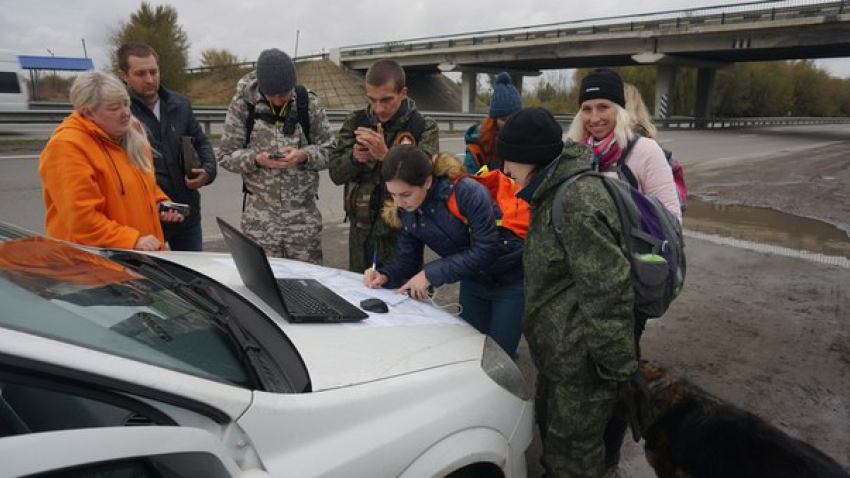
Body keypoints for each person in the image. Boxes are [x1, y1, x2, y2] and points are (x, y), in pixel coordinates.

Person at [499, 107, 637, 477]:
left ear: (531, 158)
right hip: (561, 358)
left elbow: (608, 289)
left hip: (583, 366)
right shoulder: (551, 191)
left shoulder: (577, 201)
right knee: (556, 444)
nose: (506, 170)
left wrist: (614, 371)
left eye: (509, 160)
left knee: (573, 458)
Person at [363, 145, 524, 357]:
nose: (399, 202)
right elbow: (407, 262)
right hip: (474, 282)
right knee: (472, 352)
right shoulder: (406, 212)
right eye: (393, 195)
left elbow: (485, 249)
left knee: (500, 356)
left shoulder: (467, 192)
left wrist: (430, 274)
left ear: (428, 182)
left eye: (405, 194)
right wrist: (384, 275)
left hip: (511, 281)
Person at [39, 71, 184, 251]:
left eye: (126, 104)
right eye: (115, 108)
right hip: (96, 265)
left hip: (139, 257)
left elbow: (147, 186)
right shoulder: (67, 147)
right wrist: (131, 240)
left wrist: (160, 204)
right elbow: (82, 219)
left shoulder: (132, 134)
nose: (126, 113)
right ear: (88, 112)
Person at [217, 48, 335, 264]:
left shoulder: (307, 103)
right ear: (262, 87)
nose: (280, 99)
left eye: (285, 93)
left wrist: (303, 155)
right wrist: (255, 160)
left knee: (307, 286)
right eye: (273, 94)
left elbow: (331, 149)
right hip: (260, 222)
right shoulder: (243, 105)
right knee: (264, 285)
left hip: (303, 222)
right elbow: (225, 155)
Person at [330, 60, 439, 273]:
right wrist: (354, 158)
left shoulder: (422, 127)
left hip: (403, 235)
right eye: (372, 100)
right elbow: (335, 173)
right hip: (361, 235)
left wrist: (386, 156)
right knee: (359, 297)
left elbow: (425, 179)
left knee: (402, 299)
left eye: (386, 100)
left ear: (403, 93)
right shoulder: (356, 123)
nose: (379, 108)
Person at [117, 42, 217, 251]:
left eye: (154, 71)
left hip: (186, 214)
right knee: (150, 282)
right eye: (141, 73)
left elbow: (200, 140)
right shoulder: (121, 113)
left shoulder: (180, 104)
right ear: (124, 75)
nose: (150, 79)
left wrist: (208, 171)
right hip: (146, 221)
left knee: (193, 279)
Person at [565, 68, 681, 223]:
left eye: (602, 107)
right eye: (587, 109)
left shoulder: (646, 150)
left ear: (619, 110)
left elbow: (671, 219)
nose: (594, 118)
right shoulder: (573, 153)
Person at [462, 71, 522, 173]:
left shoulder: (528, 141)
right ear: (493, 121)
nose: (509, 123)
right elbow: (468, 180)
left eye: (513, 118)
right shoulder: (477, 148)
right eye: (503, 119)